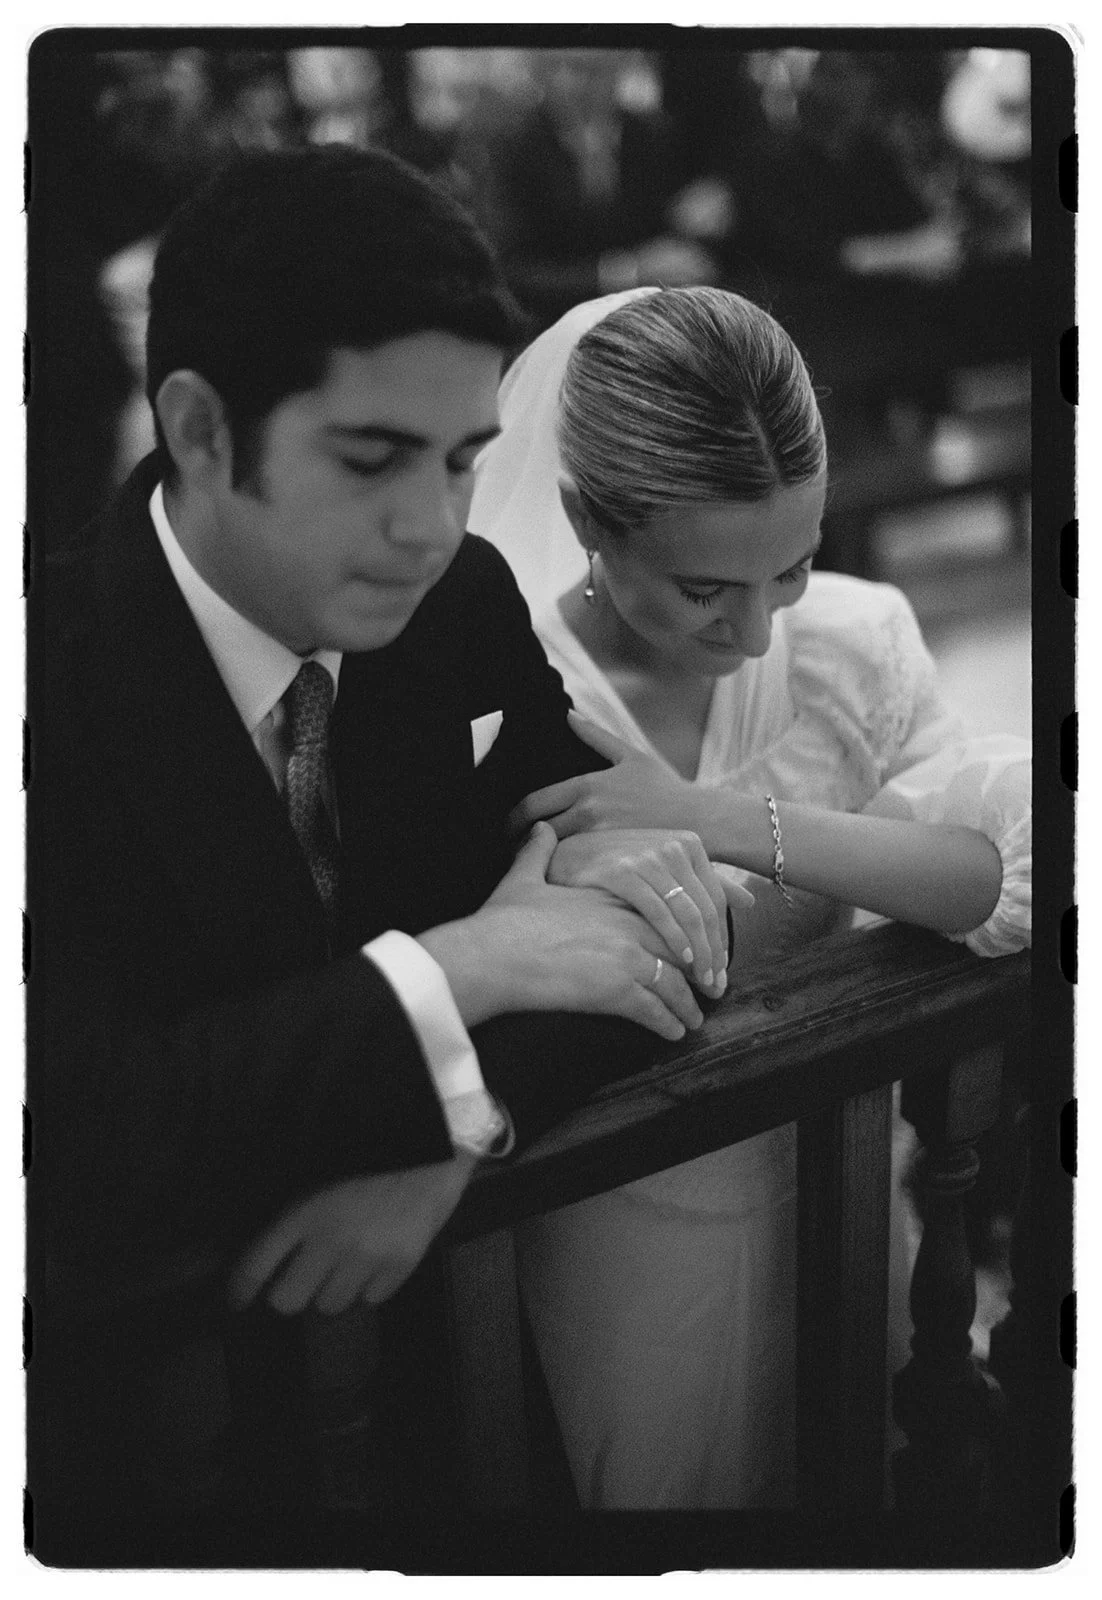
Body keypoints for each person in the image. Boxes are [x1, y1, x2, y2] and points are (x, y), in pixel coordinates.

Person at [27, 149, 751, 1561]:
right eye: (372, 460)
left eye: (465, 459)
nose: (432, 526)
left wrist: (452, 1125)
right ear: (199, 429)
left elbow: (638, 914)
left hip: (452, 1404)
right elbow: (89, 1118)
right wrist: (460, 962)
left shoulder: (460, 596)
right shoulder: (50, 672)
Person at [469, 285, 1032, 1509]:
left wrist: (719, 819)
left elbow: (1021, 867)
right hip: (618, 1220)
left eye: (793, 565)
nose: (759, 629)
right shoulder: (497, 700)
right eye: (704, 590)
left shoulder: (854, 643)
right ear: (584, 522)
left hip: (847, 1174)